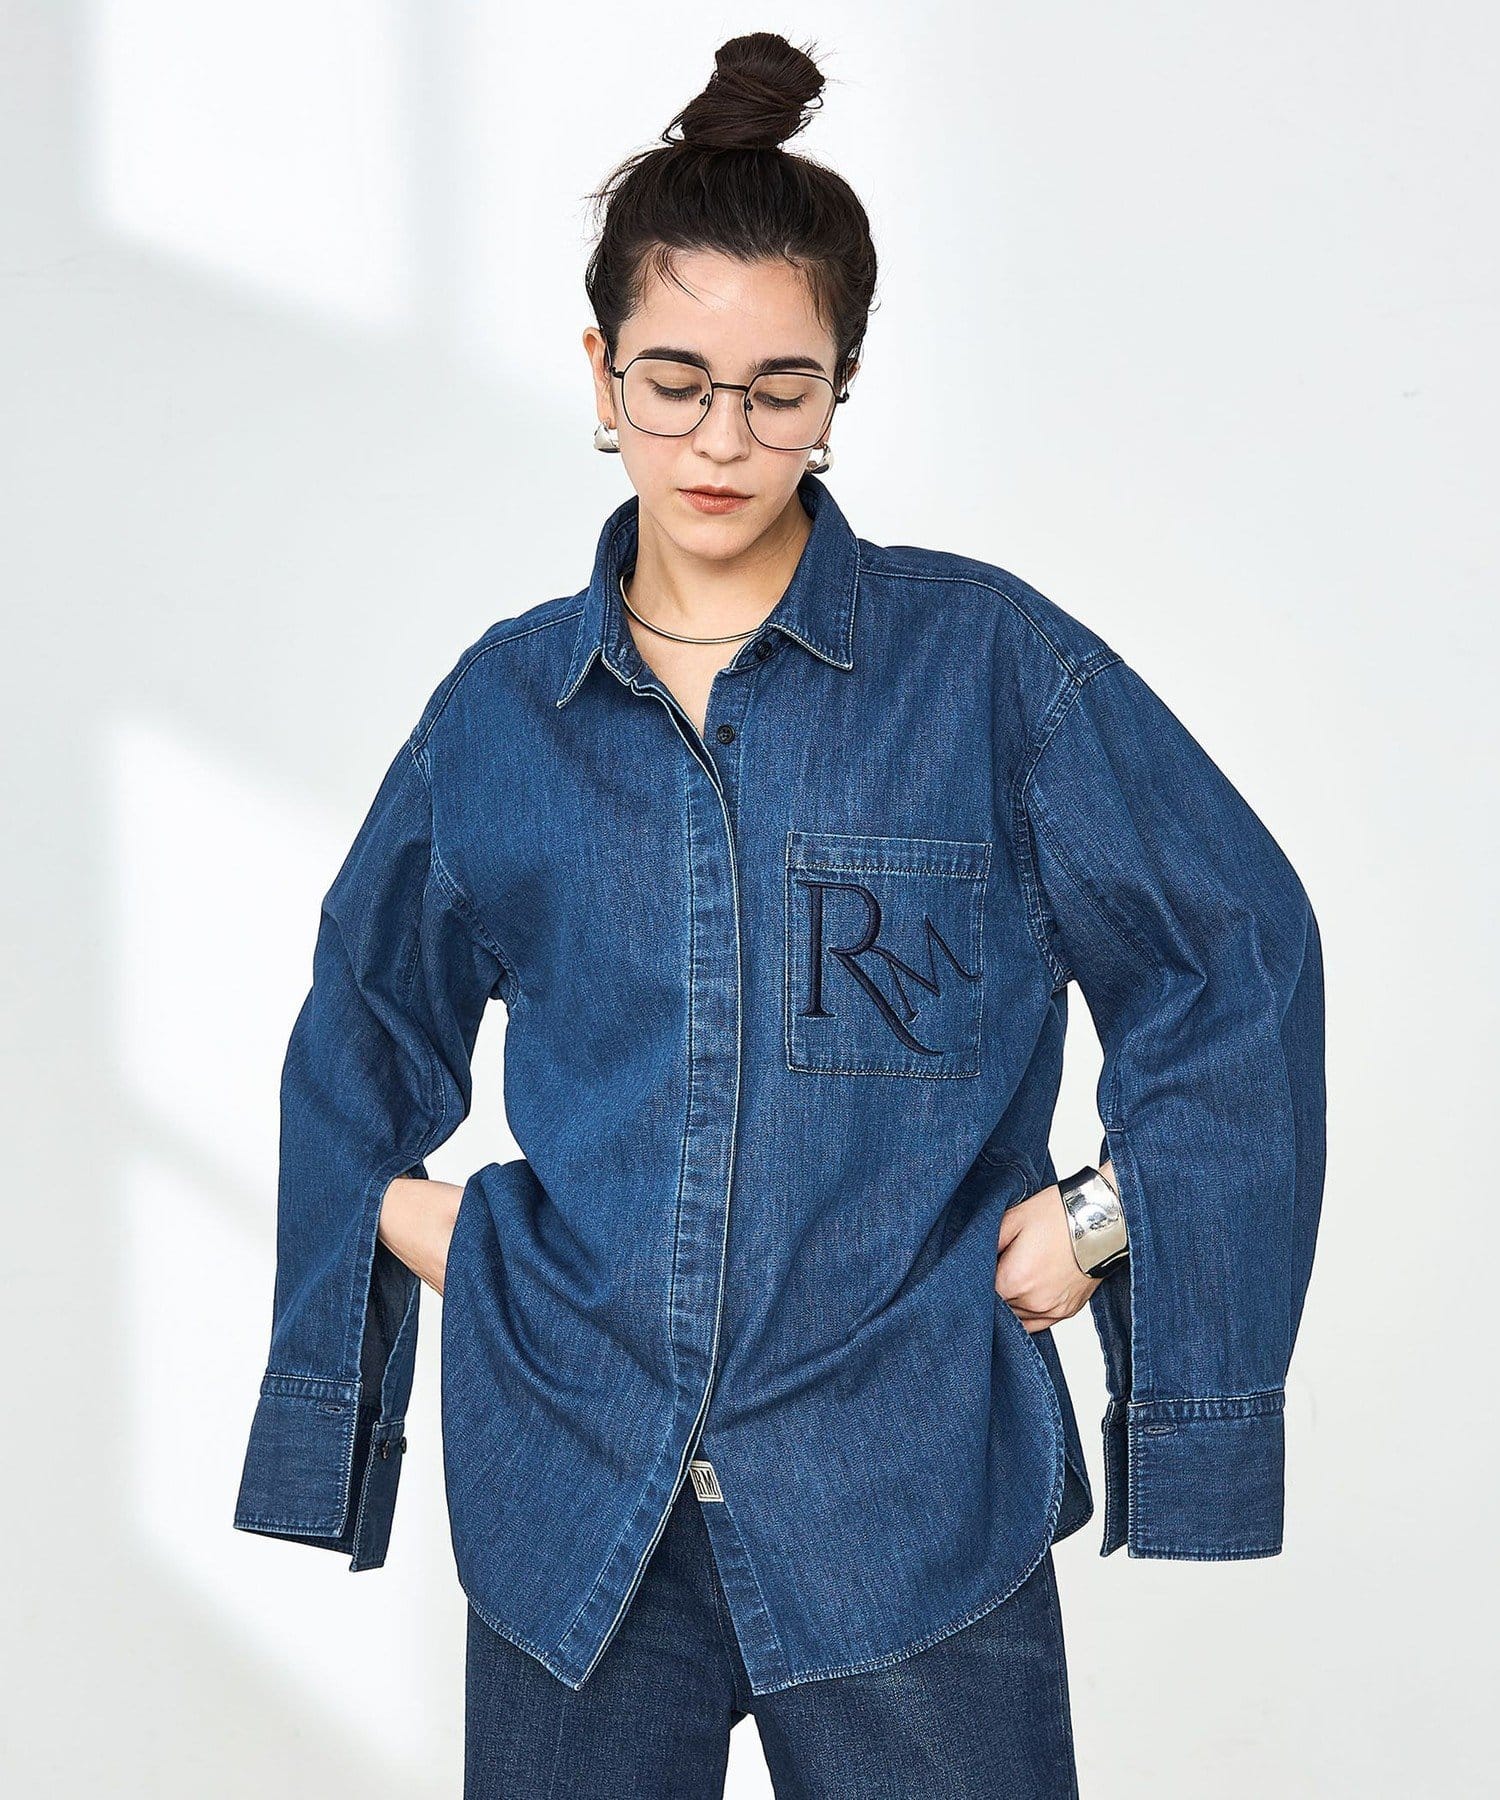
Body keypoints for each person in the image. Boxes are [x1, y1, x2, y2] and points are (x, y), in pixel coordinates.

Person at [231, 31, 1327, 1800]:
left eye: (779, 388)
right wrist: (413, 1239)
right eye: (675, 382)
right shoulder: (498, 715)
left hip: (912, 1497)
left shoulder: (988, 672)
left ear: (842, 388)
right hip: (573, 1508)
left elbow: (1240, 959)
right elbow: (357, 1025)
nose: (723, 439)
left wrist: (1107, 1224)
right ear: (599, 372)